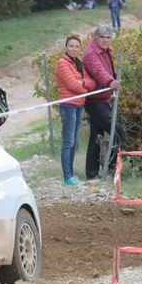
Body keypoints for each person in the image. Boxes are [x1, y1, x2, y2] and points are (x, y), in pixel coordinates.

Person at [82, 24, 123, 180]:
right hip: (94, 101)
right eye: (102, 37)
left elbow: (107, 70)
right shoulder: (91, 54)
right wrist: (110, 81)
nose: (106, 40)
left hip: (103, 98)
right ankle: (112, 166)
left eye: (108, 37)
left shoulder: (105, 51)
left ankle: (92, 173)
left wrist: (113, 79)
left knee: (96, 136)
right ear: (95, 38)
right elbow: (99, 70)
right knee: (117, 132)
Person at [55, 34, 96, 186]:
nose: (74, 49)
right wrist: (85, 89)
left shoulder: (78, 63)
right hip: (68, 106)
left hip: (78, 105)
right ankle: (67, 176)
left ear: (80, 48)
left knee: (74, 142)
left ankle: (71, 174)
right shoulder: (62, 63)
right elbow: (72, 85)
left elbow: (92, 83)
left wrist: (83, 82)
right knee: (68, 141)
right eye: (71, 46)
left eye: (77, 46)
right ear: (66, 47)